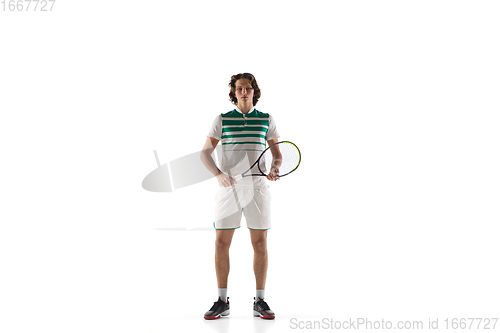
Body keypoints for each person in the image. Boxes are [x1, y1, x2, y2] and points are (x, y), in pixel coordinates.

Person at [200, 73, 280, 320]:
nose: (244, 92)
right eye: (239, 88)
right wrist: (218, 174)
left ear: (254, 91)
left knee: (260, 245)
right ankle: (222, 300)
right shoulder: (222, 120)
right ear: (233, 92)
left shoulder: (266, 119)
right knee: (221, 243)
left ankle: (260, 300)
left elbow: (277, 154)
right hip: (229, 190)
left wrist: (275, 167)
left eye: (248, 88)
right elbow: (204, 154)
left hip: (257, 188)